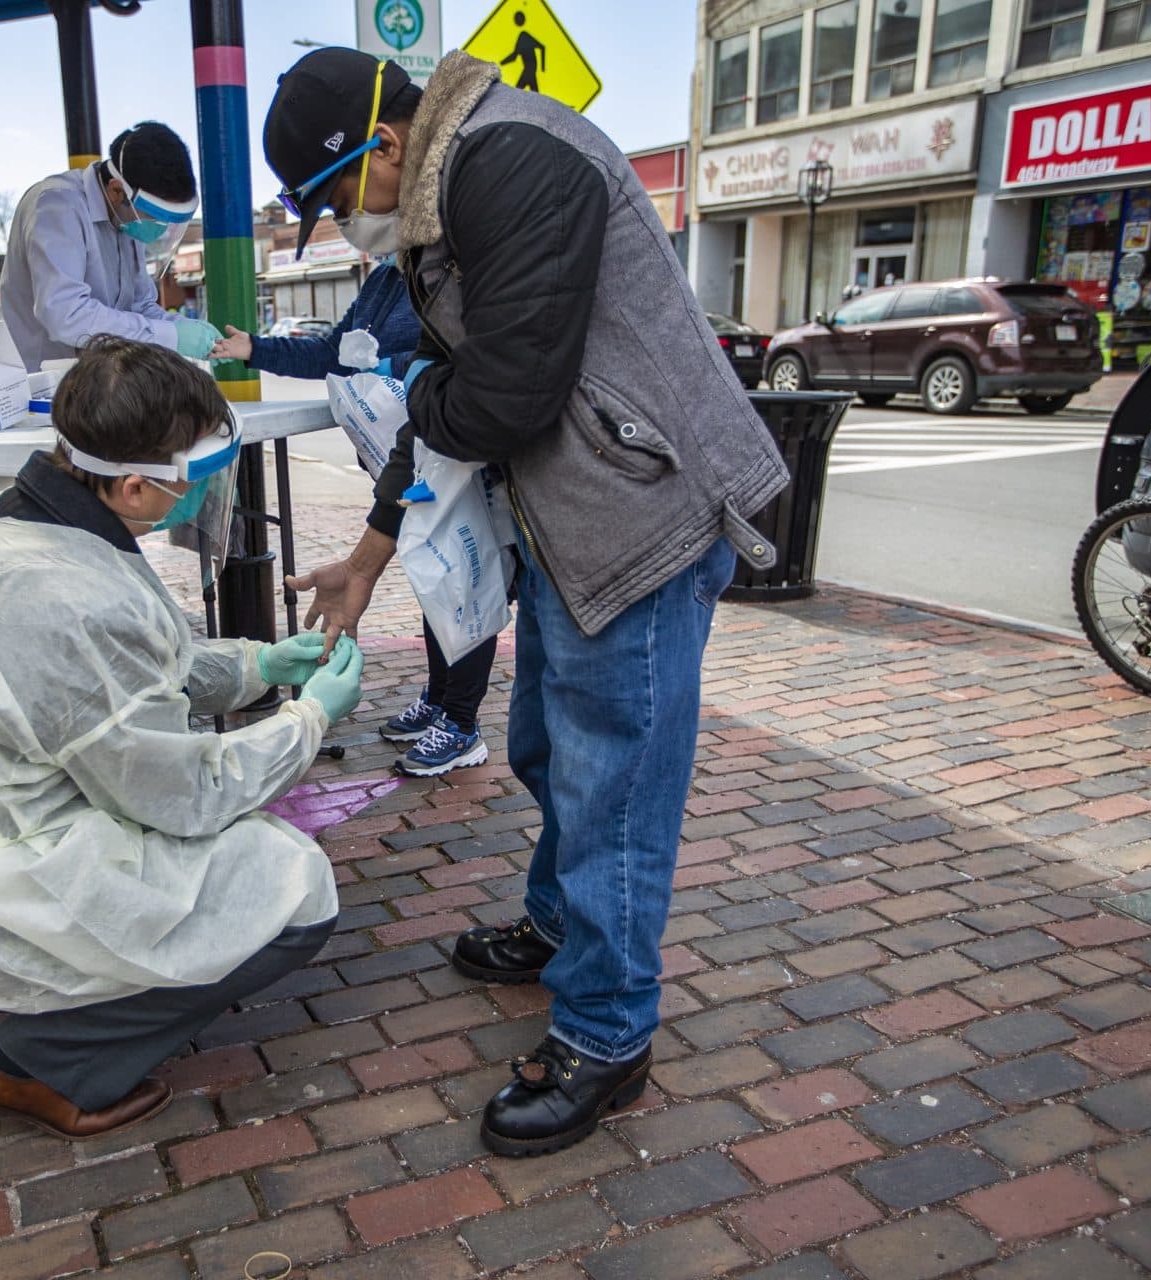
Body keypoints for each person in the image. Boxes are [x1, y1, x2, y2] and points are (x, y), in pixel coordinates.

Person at [263, 49, 788, 1157]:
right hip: (570, 519)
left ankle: (607, 1033)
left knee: (617, 790)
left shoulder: (510, 160)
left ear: (388, 145)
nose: (342, 221)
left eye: (336, 195)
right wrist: (367, 554)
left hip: (641, 514)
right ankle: (559, 928)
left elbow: (498, 392)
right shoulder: (450, 194)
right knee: (552, 747)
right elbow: (442, 404)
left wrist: (416, 390)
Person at [0, 337, 366, 1140]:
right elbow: (185, 791)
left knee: (243, 856)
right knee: (293, 888)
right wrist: (308, 719)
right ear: (135, 485)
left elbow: (134, 668)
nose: (199, 493)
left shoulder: (36, 520)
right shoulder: (54, 588)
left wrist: (258, 665)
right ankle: (32, 1061)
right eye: (192, 478)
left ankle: (68, 1017)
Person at [210, 259, 498, 777]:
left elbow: (469, 357)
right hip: (405, 454)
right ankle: (439, 697)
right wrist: (256, 349)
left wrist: (394, 366)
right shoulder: (388, 278)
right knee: (431, 577)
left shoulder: (455, 265)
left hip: (455, 451)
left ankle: (462, 722)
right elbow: (334, 353)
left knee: (461, 578)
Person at [0, 124, 221, 372]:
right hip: (41, 383)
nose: (157, 230)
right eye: (154, 219)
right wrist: (171, 336)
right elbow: (65, 314)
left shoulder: (126, 219)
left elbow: (140, 306)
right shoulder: (58, 205)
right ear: (117, 191)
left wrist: (185, 330)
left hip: (101, 380)